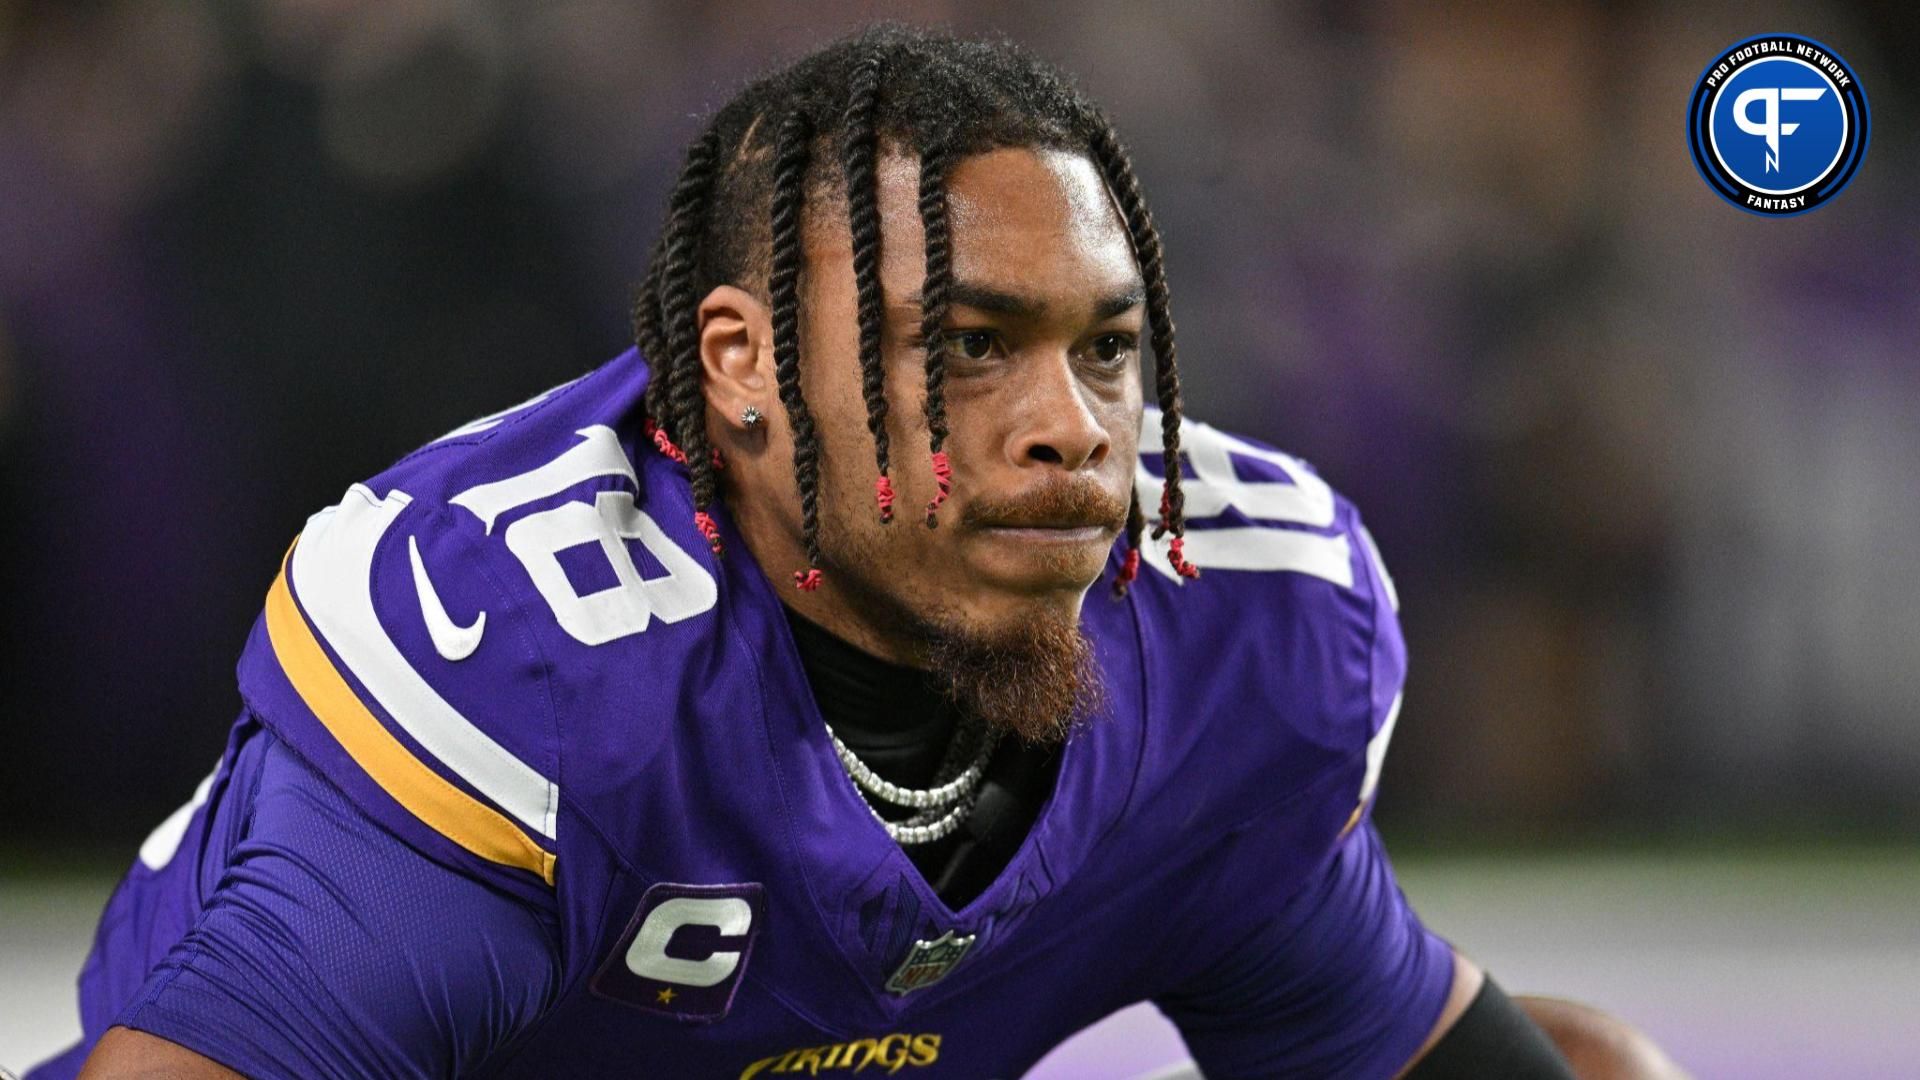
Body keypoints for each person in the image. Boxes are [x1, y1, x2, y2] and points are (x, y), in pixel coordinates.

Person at [43, 25, 1682, 1080]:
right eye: (968, 343)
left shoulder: (1230, 634)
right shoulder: (544, 667)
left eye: (1107, 348)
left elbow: (1415, 1042)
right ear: (745, 367)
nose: (1072, 427)